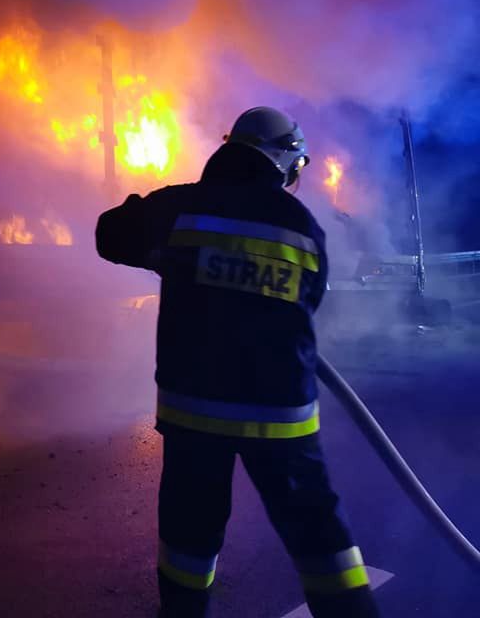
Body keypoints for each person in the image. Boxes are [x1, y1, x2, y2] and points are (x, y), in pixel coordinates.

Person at [95, 107, 379, 617]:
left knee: (189, 535)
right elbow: (310, 300)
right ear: (284, 160)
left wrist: (154, 230)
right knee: (319, 533)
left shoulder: (180, 208)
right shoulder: (303, 225)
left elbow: (108, 234)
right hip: (281, 417)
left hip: (195, 412)